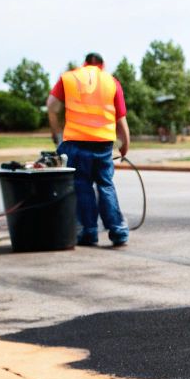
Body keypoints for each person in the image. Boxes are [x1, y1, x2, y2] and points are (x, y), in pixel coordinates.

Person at [46, 52, 131, 248]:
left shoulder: (69, 78)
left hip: (75, 142)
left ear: (84, 64)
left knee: (82, 186)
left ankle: (88, 232)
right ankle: (117, 231)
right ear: (103, 65)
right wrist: (125, 144)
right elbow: (120, 119)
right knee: (105, 184)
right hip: (103, 144)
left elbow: (51, 106)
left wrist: (57, 134)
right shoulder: (111, 82)